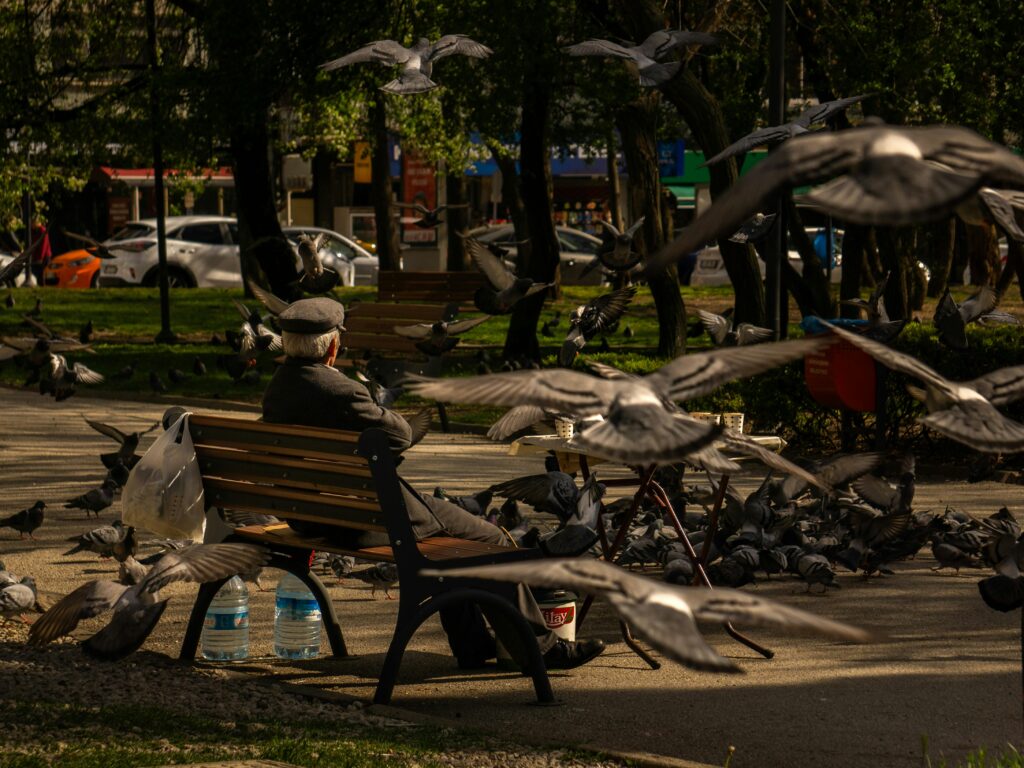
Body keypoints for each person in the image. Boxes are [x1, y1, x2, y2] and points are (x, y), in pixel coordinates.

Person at [261, 297, 605, 671]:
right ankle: (540, 649)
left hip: (313, 517)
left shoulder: (277, 389)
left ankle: (473, 646)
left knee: (456, 544)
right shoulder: (340, 390)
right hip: (368, 521)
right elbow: (400, 435)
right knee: (490, 540)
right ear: (332, 346)